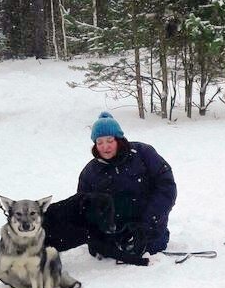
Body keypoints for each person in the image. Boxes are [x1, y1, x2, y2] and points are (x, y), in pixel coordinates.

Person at [43, 111, 176, 264]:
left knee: (153, 247)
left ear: (118, 139)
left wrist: (148, 222)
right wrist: (105, 234)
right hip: (114, 234)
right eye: (99, 142)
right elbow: (84, 212)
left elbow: (166, 188)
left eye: (109, 140)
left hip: (150, 227)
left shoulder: (143, 154)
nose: (105, 147)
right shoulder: (90, 173)